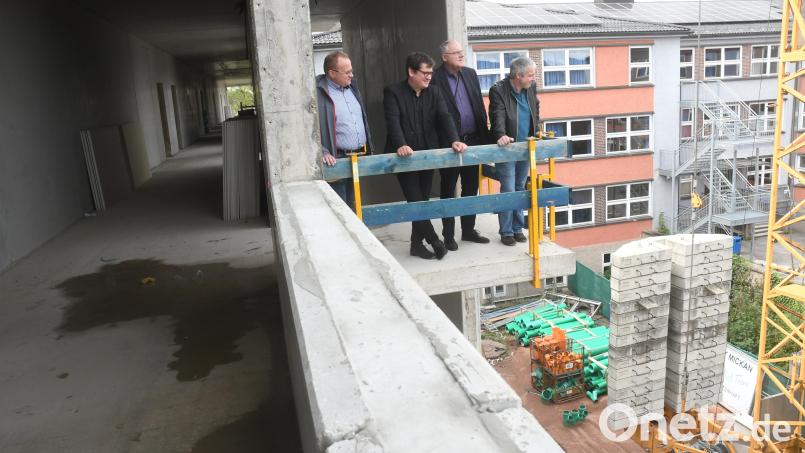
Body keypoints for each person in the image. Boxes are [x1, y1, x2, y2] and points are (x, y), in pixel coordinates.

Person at [383, 52, 467, 260]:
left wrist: (454, 140)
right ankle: (435, 241)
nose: (430, 76)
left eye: (431, 72)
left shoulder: (434, 92)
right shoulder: (393, 92)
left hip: (427, 155)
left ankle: (416, 245)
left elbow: (444, 117)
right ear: (411, 72)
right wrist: (401, 144)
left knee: (423, 199)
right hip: (403, 158)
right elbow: (393, 121)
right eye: (425, 73)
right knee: (415, 200)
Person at [432, 40, 491, 250]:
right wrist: (449, 139)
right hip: (449, 145)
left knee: (471, 187)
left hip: (473, 141)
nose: (461, 55)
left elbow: (479, 106)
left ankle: (468, 230)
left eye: (461, 51)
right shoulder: (435, 78)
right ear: (444, 57)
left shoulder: (470, 74)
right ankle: (448, 235)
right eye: (455, 52)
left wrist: (485, 137)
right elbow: (435, 115)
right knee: (448, 189)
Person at [488, 57, 540, 246]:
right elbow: (497, 114)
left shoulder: (530, 87)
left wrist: (536, 129)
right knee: (508, 189)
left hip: (525, 147)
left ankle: (518, 228)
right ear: (518, 76)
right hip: (508, 148)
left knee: (520, 187)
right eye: (530, 75)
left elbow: (535, 107)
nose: (533, 78)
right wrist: (500, 134)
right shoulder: (498, 90)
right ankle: (506, 231)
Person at [315, 51, 373, 209]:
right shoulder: (317, 93)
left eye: (351, 71)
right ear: (332, 73)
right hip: (336, 160)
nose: (351, 75)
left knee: (355, 206)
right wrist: (323, 151)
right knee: (340, 209)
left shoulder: (353, 88)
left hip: (358, 158)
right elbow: (309, 129)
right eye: (347, 72)